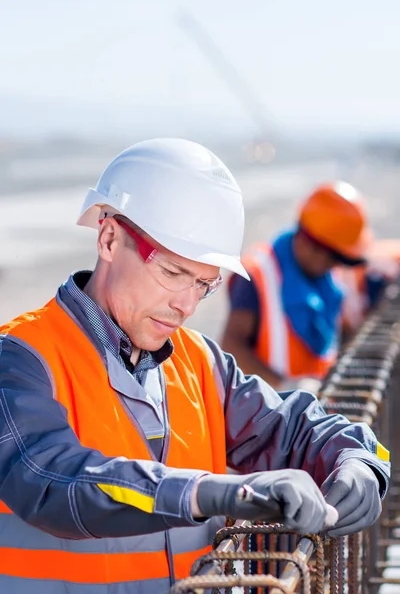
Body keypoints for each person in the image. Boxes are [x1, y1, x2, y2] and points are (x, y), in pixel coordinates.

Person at [0, 140, 389, 594]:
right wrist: (208, 493)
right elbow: (50, 479)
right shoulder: (22, 358)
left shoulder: (198, 362)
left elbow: (297, 427)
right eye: (172, 273)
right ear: (108, 238)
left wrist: (362, 460)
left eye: (204, 284)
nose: (186, 305)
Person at [221, 181, 373, 390]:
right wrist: (286, 388)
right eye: (334, 258)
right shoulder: (257, 274)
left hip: (314, 404)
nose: (335, 266)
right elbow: (231, 346)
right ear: (309, 245)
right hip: (269, 411)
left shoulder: (328, 280)